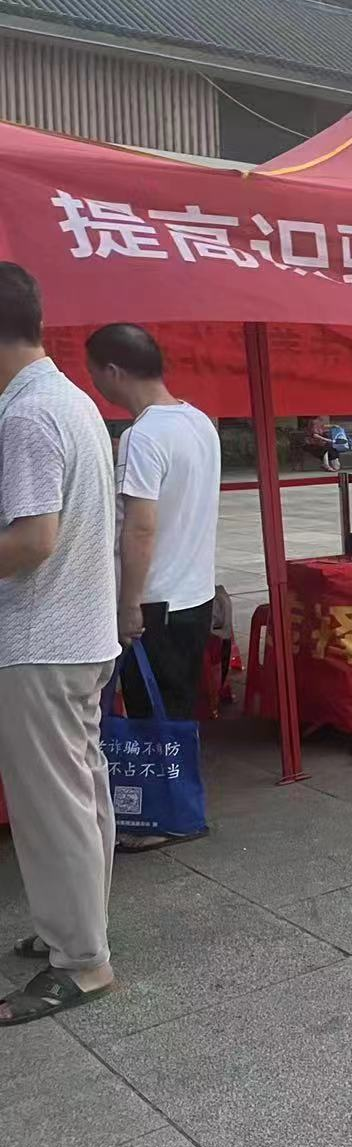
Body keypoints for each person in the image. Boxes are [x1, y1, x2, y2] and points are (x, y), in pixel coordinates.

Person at [0, 263, 120, 1026]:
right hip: (81, 633)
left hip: (39, 639)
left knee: (52, 808)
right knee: (82, 794)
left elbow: (32, 539)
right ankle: (76, 928)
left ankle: (81, 961)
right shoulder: (71, 399)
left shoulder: (24, 416)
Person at [85, 324, 220, 851]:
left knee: (151, 716)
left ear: (113, 371)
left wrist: (128, 605)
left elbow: (139, 528)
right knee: (176, 710)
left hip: (156, 601)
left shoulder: (142, 438)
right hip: (193, 593)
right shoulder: (199, 422)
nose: (97, 386)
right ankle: (178, 805)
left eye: (95, 375)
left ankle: (166, 817)